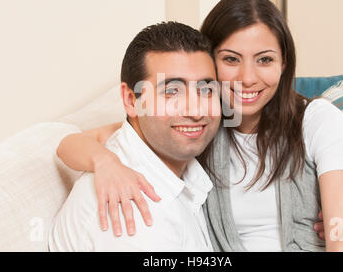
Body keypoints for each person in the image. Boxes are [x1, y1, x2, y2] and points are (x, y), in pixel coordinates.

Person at [56, 0, 343, 251]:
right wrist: (105, 163)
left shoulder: (315, 120)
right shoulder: (197, 130)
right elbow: (73, 141)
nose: (248, 78)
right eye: (231, 59)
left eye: (264, 59)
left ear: (283, 63)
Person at [49, 22, 222, 251]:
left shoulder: (160, 159)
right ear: (131, 101)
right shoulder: (136, 215)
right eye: (172, 91)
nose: (197, 110)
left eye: (206, 90)